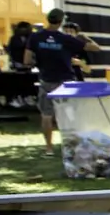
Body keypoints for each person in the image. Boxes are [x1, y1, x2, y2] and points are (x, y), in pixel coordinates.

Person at [24, 9, 100, 154]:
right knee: (70, 114)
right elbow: (95, 48)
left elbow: (27, 60)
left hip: (46, 80)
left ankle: (49, 148)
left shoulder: (35, 37)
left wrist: (39, 60)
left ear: (48, 19)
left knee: (46, 115)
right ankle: (72, 146)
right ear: (61, 21)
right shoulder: (66, 39)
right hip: (66, 82)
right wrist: (82, 38)